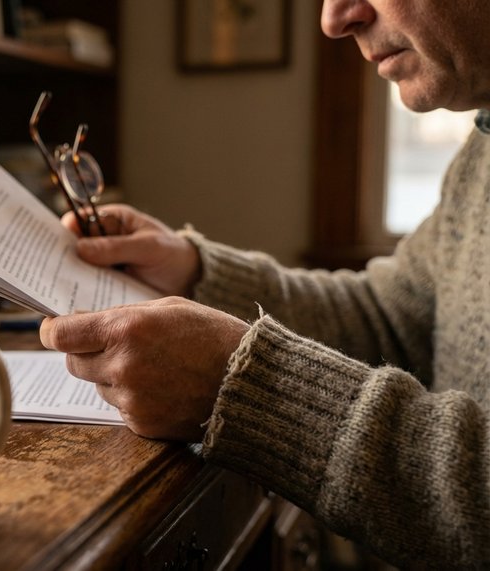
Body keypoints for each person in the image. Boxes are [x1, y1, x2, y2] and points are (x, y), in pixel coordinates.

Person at [39, 0, 490, 567]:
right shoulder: (480, 153)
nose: (335, 18)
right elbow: (388, 318)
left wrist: (248, 385)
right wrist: (193, 271)